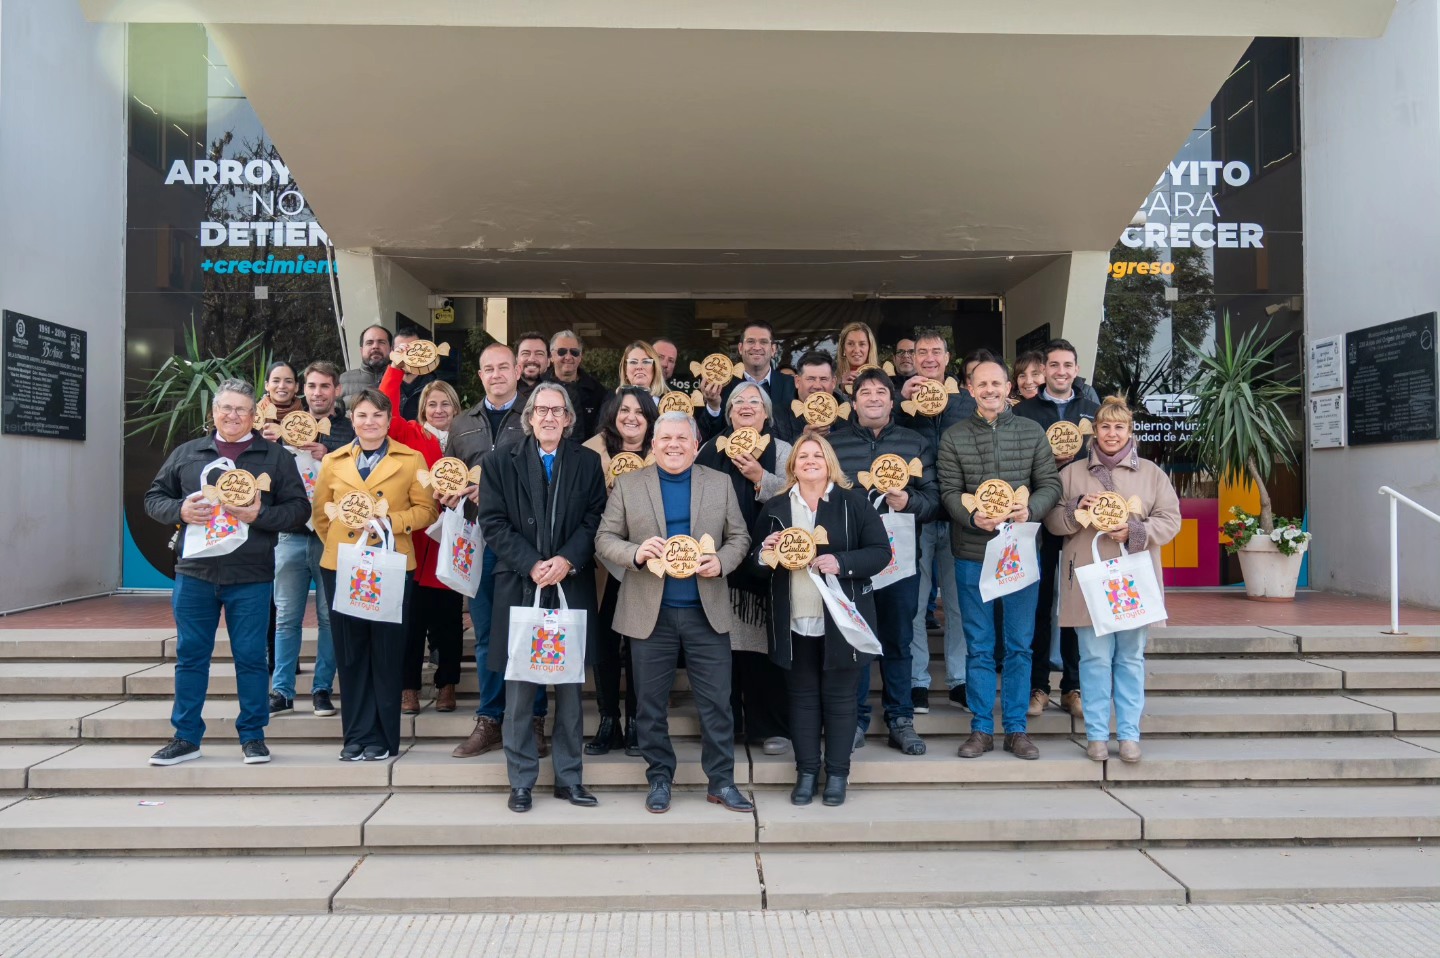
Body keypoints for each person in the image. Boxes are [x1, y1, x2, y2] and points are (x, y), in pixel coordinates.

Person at [144, 379, 310, 766]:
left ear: (254, 415)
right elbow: (154, 498)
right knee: (190, 656)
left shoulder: (274, 457)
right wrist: (180, 511)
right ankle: (186, 737)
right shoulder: (188, 453)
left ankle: (253, 736)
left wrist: (260, 514)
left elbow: (299, 509)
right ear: (213, 412)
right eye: (226, 408)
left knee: (251, 657)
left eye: (242, 410)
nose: (233, 415)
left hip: (251, 575)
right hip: (195, 573)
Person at [595, 412, 753, 815]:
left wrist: (722, 561)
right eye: (665, 438)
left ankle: (722, 781)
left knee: (717, 703)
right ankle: (660, 778)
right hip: (650, 614)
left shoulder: (719, 483)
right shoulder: (630, 485)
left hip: (706, 612)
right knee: (649, 705)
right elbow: (604, 538)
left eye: (682, 438)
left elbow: (740, 536)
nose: (674, 445)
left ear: (696, 445)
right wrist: (635, 552)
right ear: (653, 444)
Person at [477, 382, 608, 812]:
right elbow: (492, 523)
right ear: (529, 417)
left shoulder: (587, 462)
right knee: (519, 691)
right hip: (520, 584)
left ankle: (570, 779)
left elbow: (595, 519)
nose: (549, 417)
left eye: (558, 410)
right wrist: (531, 563)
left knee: (570, 690)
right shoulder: (498, 462)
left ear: (569, 419)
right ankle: (521, 782)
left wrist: (567, 560)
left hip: (570, 584)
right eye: (542, 410)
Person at [754, 434, 891, 807]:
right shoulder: (776, 507)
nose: (810, 461)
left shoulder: (853, 503)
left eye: (817, 454)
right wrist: (765, 554)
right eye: (803, 456)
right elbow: (753, 565)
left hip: (841, 622)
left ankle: (838, 775)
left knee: (841, 701)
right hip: (794, 621)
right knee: (801, 702)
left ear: (829, 462)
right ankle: (807, 773)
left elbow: (881, 553)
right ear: (792, 465)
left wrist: (842, 562)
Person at [1045, 396, 1181, 763]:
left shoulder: (1151, 473)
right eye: (1105, 426)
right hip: (1087, 579)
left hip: (1132, 579)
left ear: (1130, 431)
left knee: (1131, 657)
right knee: (1093, 658)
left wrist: (1135, 531)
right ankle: (1096, 734)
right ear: (1095, 431)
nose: (1112, 433)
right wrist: (1076, 509)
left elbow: (1170, 520)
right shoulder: (1072, 473)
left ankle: (1130, 734)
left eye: (1119, 427)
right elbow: (1052, 522)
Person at [938, 359, 1062, 761]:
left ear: (1008, 387)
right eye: (982, 384)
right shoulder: (954, 437)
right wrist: (970, 516)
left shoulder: (1031, 431)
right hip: (972, 554)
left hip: (1019, 552)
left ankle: (1016, 729)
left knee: (1019, 645)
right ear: (969, 389)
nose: (990, 390)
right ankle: (981, 728)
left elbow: (1050, 484)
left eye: (996, 383)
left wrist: (1032, 510)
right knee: (979, 645)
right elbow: (948, 491)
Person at [312, 388, 437, 761]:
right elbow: (321, 515)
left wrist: (388, 523)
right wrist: (345, 544)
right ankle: (355, 736)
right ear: (352, 420)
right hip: (343, 566)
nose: (370, 422)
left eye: (378, 415)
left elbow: (427, 511)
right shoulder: (332, 461)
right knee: (350, 652)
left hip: (391, 565)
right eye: (363, 415)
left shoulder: (411, 459)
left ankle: (382, 737)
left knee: (385, 651)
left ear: (388, 420)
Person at [827, 367, 939, 755]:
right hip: (852, 561)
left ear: (893, 401)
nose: (873, 398)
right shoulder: (834, 445)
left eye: (881, 392)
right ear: (852, 402)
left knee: (898, 639)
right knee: (855, 639)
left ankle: (900, 719)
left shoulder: (915, 443)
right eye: (865, 393)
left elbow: (935, 501)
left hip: (900, 561)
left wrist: (909, 501)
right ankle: (854, 719)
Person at [449, 344, 546, 759]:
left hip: (525, 543)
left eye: (503, 367)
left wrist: (491, 488)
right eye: (488, 368)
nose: (496, 374)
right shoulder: (461, 424)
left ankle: (534, 719)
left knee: (529, 629)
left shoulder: (535, 415)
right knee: (487, 634)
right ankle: (490, 718)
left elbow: (546, 474)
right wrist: (448, 492)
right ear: (480, 375)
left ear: (517, 370)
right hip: (478, 542)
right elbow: (449, 474)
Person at [696, 383, 793, 758]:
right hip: (719, 564)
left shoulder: (782, 450)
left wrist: (760, 477)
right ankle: (726, 725)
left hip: (767, 566)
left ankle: (770, 727)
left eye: (755, 401)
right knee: (721, 653)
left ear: (766, 413)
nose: (746, 406)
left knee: (762, 652)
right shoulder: (711, 449)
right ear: (729, 413)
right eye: (738, 402)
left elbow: (797, 495)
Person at [1014, 338, 1101, 722]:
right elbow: (1016, 464)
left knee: (1076, 601)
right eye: (1054, 365)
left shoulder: (1093, 413)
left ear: (1076, 369)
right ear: (1043, 370)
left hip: (1083, 521)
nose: (1061, 371)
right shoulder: (1024, 413)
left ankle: (1073, 686)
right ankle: (1037, 686)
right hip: (1037, 519)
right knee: (1038, 602)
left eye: (1068, 365)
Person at [264, 361, 354, 718]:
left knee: (330, 618)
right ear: (304, 390)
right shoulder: (283, 427)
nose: (318, 393)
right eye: (312, 386)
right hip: (290, 535)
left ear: (337, 390)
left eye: (325, 386)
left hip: (331, 537)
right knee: (286, 617)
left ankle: (321, 690)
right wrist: (268, 443)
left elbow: (362, 476)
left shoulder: (350, 430)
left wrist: (328, 455)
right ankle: (282, 691)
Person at [378, 362, 466, 715]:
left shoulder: (465, 438)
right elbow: (385, 406)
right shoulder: (410, 434)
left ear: (455, 408)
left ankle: (447, 685)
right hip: (416, 542)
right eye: (432, 404)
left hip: (453, 541)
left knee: (449, 622)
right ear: (423, 409)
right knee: (411, 622)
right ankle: (409, 688)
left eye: (445, 404)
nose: (439, 410)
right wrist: (396, 369)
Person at [897, 332, 978, 713]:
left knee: (959, 604)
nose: (928, 358)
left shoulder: (966, 403)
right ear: (912, 358)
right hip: (915, 515)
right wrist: (901, 401)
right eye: (921, 352)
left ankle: (959, 679)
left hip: (960, 517)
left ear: (948, 358)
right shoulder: (899, 401)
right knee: (914, 603)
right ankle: (917, 681)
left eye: (935, 351)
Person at [581, 387, 658, 755]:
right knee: (605, 643)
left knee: (641, 643)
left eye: (640, 412)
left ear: (650, 419)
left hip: (647, 565)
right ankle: (608, 719)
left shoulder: (663, 452)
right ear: (613, 414)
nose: (631, 417)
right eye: (625, 410)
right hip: (603, 564)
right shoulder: (590, 453)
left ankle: (638, 722)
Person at [699, 322, 797, 442]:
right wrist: (713, 406)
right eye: (750, 341)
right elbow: (707, 438)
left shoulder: (792, 386)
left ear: (773, 349)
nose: (757, 347)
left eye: (763, 342)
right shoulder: (720, 387)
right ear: (740, 348)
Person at [545, 329, 608, 438]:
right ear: (551, 356)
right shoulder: (539, 387)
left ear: (580, 357)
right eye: (562, 352)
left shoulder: (597, 391)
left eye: (574, 352)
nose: (568, 357)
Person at [777, 350, 845, 442]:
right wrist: (803, 438)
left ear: (833, 382)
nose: (817, 386)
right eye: (811, 379)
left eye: (823, 379)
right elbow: (776, 451)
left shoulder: (850, 416)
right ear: (797, 381)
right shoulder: (776, 417)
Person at [391, 325, 438, 422]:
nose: (407, 356)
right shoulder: (380, 385)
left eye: (413, 350)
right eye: (400, 350)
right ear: (392, 353)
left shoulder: (437, 386)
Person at [338, 324, 392, 398]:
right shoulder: (343, 381)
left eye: (381, 342)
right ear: (361, 350)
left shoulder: (403, 379)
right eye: (369, 343)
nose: (375, 346)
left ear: (391, 349)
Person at [835, 321, 879, 389]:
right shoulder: (831, 378)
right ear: (843, 348)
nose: (856, 350)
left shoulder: (882, 378)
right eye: (850, 344)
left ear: (869, 348)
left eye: (862, 344)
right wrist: (840, 388)